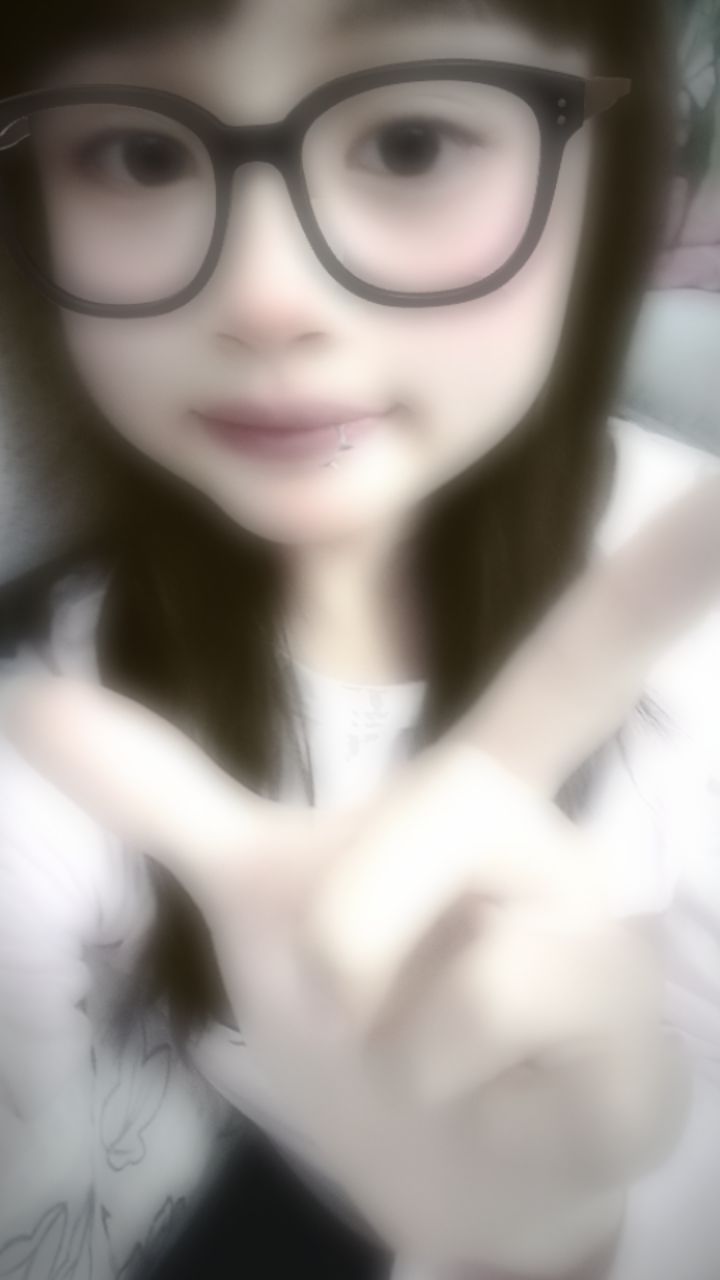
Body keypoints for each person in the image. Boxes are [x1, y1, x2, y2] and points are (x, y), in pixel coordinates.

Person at [0, 1, 718, 1277]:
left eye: (411, 142)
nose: (266, 298)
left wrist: (555, 1243)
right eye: (138, 153)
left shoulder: (689, 601)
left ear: (612, 166)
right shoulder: (52, 736)